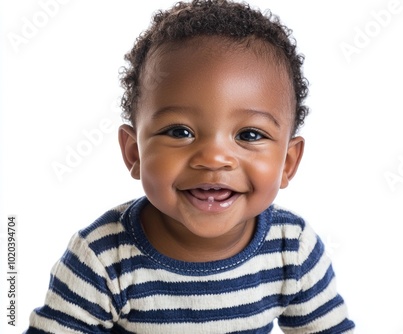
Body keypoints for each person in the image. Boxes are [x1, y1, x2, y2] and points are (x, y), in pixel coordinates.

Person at [26, 0, 355, 332]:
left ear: (287, 162)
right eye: (179, 131)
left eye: (249, 134)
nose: (213, 158)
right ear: (134, 153)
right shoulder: (102, 258)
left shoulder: (291, 248)